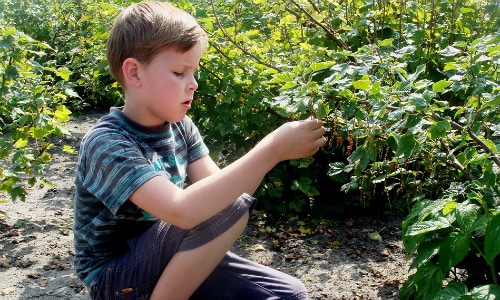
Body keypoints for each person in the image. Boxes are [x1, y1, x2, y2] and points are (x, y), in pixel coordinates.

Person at [72, 1, 326, 299]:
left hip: (170, 259)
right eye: (180, 72)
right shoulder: (107, 142)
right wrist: (271, 150)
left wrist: (277, 152)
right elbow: (183, 210)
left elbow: (225, 195)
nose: (193, 84)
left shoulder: (180, 126)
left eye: (194, 72)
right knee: (225, 207)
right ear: (135, 73)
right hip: (115, 279)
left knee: (288, 294)